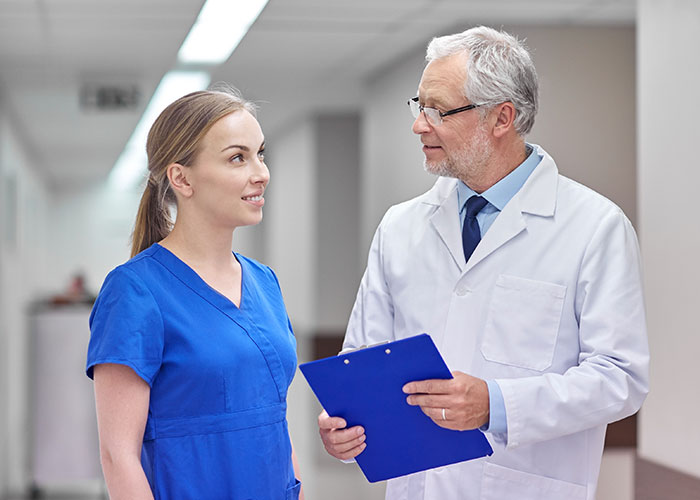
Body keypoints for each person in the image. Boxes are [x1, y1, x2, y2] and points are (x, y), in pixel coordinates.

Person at [317, 26, 649, 500]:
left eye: (438, 110)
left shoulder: (594, 227)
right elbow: (362, 360)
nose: (418, 124)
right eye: (419, 106)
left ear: (501, 118)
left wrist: (497, 404)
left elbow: (621, 378)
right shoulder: (400, 227)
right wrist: (342, 428)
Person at [86, 88, 303, 499]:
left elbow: (273, 422)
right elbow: (118, 456)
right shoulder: (134, 291)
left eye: (261, 153)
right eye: (238, 158)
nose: (261, 172)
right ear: (181, 177)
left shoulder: (265, 282)